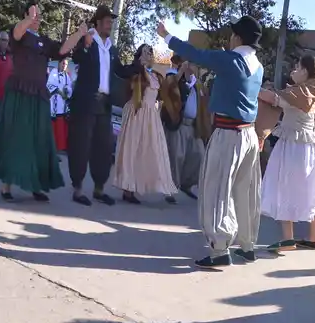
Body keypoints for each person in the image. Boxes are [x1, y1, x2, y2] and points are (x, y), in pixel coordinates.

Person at [160, 15, 267, 270]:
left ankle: (220, 249)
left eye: (233, 35)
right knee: (245, 192)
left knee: (217, 190)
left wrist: (166, 36)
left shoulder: (231, 60)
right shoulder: (259, 66)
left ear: (238, 37)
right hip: (249, 135)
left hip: (228, 133)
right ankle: (248, 245)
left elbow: (196, 54)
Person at [0, 5, 90, 201]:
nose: (38, 18)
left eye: (39, 16)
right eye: (34, 15)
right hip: (19, 93)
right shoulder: (20, 35)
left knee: (40, 140)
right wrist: (27, 20)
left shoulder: (44, 41)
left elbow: (62, 50)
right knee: (15, 137)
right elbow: (16, 33)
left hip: (39, 96)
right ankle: (6, 186)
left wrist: (78, 34)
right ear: (25, 15)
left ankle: (36, 185)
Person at [258, 54, 315, 249]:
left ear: (305, 71)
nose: (294, 70)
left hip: (294, 145)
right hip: (311, 146)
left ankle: (288, 238)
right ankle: (312, 238)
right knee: (313, 189)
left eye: (297, 67)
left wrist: (251, 86)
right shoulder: (311, 91)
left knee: (285, 186)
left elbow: (274, 99)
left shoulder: (300, 92)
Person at [68, 5, 131, 207]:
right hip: (86, 101)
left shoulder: (111, 48)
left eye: (111, 22)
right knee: (81, 145)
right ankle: (77, 189)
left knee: (103, 147)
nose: (110, 25)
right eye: (106, 21)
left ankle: (99, 188)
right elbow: (76, 57)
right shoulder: (88, 40)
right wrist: (85, 44)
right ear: (97, 22)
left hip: (104, 103)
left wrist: (138, 64)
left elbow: (120, 70)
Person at [111, 45, 179, 204]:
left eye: (151, 51)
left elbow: (166, 88)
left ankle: (157, 185)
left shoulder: (155, 75)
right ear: (140, 55)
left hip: (151, 116)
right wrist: (139, 65)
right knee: (132, 149)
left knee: (152, 150)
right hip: (137, 112)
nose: (150, 54)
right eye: (146, 51)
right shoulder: (135, 72)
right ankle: (128, 188)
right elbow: (124, 77)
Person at [161, 58, 203, 199]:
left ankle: (187, 184)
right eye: (192, 63)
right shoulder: (174, 77)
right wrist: (181, 73)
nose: (194, 66)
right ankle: (171, 189)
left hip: (193, 125)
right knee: (176, 156)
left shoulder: (197, 84)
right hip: (178, 123)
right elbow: (168, 88)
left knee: (199, 154)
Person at [46, 59, 73, 156]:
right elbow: (49, 85)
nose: (64, 66)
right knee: (52, 129)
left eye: (65, 64)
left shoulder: (66, 76)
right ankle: (50, 150)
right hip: (54, 104)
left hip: (62, 107)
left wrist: (67, 91)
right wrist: (58, 91)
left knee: (60, 130)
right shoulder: (54, 72)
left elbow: (70, 88)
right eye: (63, 63)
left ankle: (57, 151)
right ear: (59, 63)